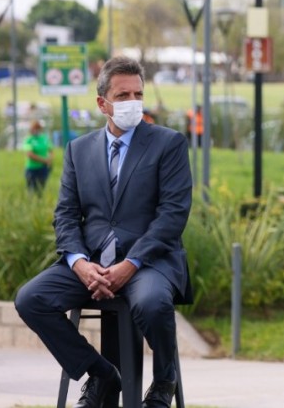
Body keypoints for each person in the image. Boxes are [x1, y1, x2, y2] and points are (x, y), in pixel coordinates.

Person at [15, 56, 193, 408]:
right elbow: (66, 215)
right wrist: (79, 263)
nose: (132, 102)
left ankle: (163, 382)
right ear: (102, 104)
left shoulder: (169, 143)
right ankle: (101, 374)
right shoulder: (78, 150)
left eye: (138, 94)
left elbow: (172, 215)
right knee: (31, 299)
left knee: (152, 303)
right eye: (122, 95)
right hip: (92, 262)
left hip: (150, 262)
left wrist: (131, 263)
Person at [22, 120, 53, 194]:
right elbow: (29, 154)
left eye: (37, 129)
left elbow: (50, 150)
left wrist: (49, 159)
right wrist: (43, 160)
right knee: (31, 188)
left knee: (41, 188)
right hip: (32, 168)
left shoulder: (44, 138)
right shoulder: (29, 140)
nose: (35, 131)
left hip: (43, 167)